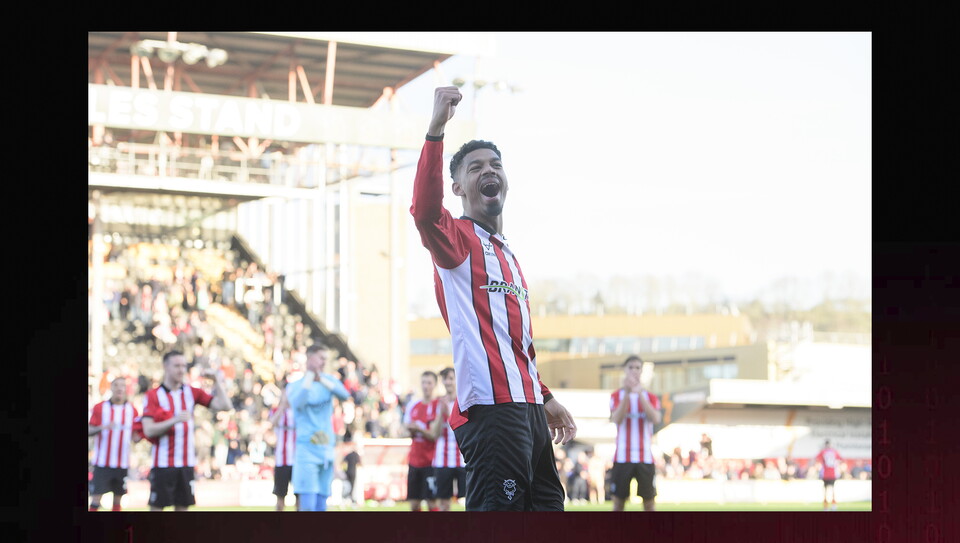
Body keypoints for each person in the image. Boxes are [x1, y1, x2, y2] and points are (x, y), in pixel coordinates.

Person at [410, 86, 577, 511]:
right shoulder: (456, 239)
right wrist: (436, 129)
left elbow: (516, 342)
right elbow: (424, 212)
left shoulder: (509, 254)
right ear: (457, 187)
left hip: (530, 410)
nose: (489, 170)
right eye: (476, 167)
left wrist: (545, 396)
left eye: (495, 165)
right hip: (491, 409)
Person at [140, 350, 231, 511]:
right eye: (177, 366)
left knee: (183, 510)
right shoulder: (153, 395)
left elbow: (225, 406)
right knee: (156, 510)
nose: (181, 370)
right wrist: (174, 420)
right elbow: (148, 430)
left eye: (183, 366)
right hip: (163, 464)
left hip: (186, 464)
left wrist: (217, 380)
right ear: (165, 367)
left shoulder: (191, 392)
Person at [286, 343, 350, 511]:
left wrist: (321, 379)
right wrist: (309, 377)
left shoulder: (328, 381)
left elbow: (345, 395)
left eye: (325, 359)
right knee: (307, 504)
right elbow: (298, 404)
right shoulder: (295, 385)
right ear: (310, 357)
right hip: (306, 450)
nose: (324, 362)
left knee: (322, 501)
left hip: (326, 449)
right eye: (321, 358)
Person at [609, 355, 662, 511]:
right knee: (618, 502)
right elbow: (616, 419)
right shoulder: (616, 395)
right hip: (622, 456)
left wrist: (640, 394)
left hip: (645, 457)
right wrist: (627, 393)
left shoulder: (650, 397)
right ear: (625, 370)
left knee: (649, 502)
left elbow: (656, 418)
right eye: (630, 367)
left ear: (641, 371)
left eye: (637, 368)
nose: (634, 371)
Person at [88, 376, 141, 511]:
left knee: (118, 499)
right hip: (102, 463)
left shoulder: (132, 410)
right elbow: (89, 430)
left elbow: (136, 435)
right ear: (111, 388)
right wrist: (102, 427)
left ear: (126, 389)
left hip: (122, 463)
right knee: (96, 499)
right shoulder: (100, 408)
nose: (119, 388)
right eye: (116, 385)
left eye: (122, 385)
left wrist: (140, 437)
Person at [427, 367, 467, 511]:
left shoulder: (465, 401)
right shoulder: (437, 403)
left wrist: (449, 414)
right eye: (445, 379)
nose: (448, 382)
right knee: (443, 502)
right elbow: (434, 434)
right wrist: (440, 414)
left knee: (467, 500)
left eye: (451, 378)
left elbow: (466, 429)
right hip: (442, 459)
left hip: (463, 458)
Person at [403, 371, 440, 511]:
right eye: (423, 382)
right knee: (414, 504)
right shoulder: (413, 405)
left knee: (432, 503)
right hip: (414, 460)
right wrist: (411, 430)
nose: (426, 386)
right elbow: (405, 430)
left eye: (429, 383)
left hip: (431, 461)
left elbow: (434, 435)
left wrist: (419, 429)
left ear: (435, 385)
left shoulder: (438, 406)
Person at [268, 388, 296, 511]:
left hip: (297, 460)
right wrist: (282, 407)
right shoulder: (276, 411)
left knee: (299, 498)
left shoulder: (298, 411)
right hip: (281, 460)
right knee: (280, 498)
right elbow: (271, 423)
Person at [815, 439, 844, 510]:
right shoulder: (834, 452)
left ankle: (826, 507)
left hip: (826, 474)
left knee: (826, 491)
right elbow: (841, 459)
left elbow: (816, 459)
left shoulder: (823, 452)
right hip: (832, 473)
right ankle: (833, 506)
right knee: (832, 490)